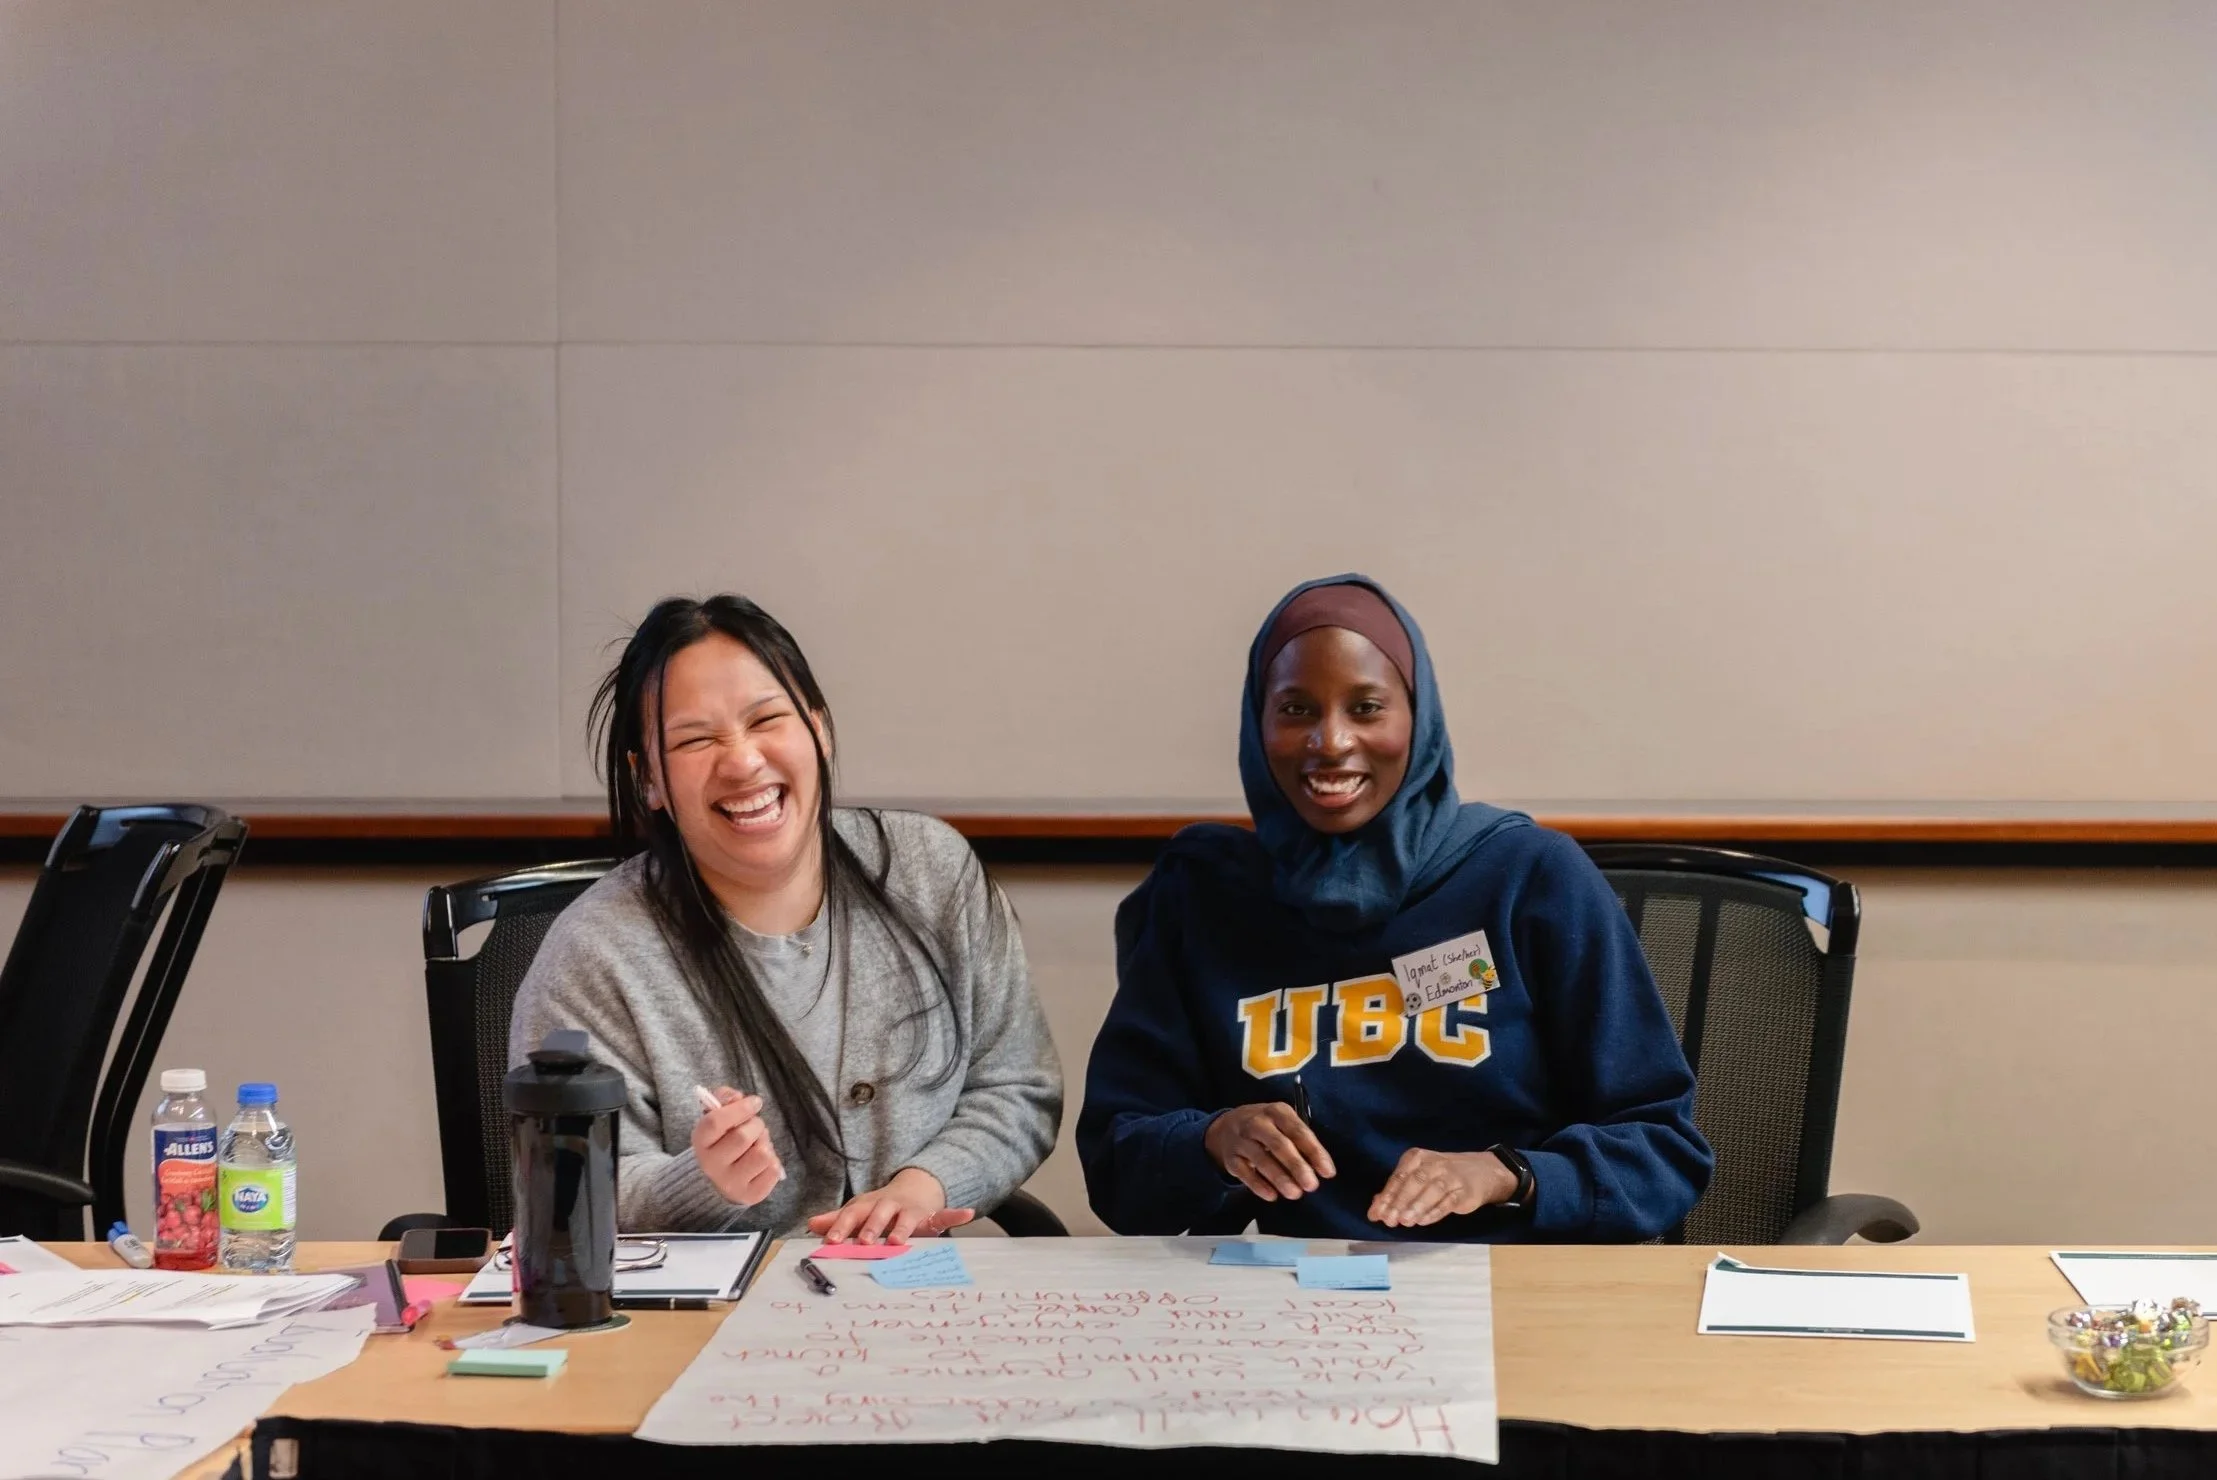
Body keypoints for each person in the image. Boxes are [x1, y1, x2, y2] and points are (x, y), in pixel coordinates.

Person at [1078, 575, 1710, 1241]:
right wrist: (1210, 1141)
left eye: (1366, 708)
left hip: (1516, 1288)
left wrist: (1507, 1174)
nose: (1330, 741)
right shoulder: (1204, 896)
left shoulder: (1527, 877)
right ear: (1255, 725)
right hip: (1302, 1308)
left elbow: (1660, 1150)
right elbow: (1121, 1169)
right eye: (1294, 709)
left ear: (1418, 719)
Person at [510, 594, 1061, 1244]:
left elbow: (1017, 1085)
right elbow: (567, 1189)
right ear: (648, 780)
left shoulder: (930, 871)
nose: (742, 761)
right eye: (694, 739)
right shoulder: (593, 953)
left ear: (820, 731)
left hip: (912, 1298)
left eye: (766, 719)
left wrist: (924, 1185)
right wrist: (700, 1180)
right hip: (701, 1315)